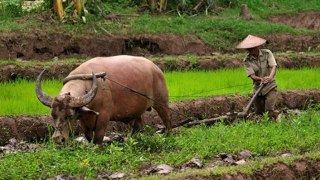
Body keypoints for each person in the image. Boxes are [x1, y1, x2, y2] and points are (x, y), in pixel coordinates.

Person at [236, 35, 278, 120]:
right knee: (258, 111)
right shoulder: (247, 60)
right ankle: (261, 126)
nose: (250, 50)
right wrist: (261, 79)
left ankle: (271, 125)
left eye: (252, 48)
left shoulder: (267, 53)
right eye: (248, 49)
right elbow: (252, 76)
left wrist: (270, 77)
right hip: (258, 87)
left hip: (270, 86)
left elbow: (273, 66)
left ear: (257, 46)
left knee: (269, 109)